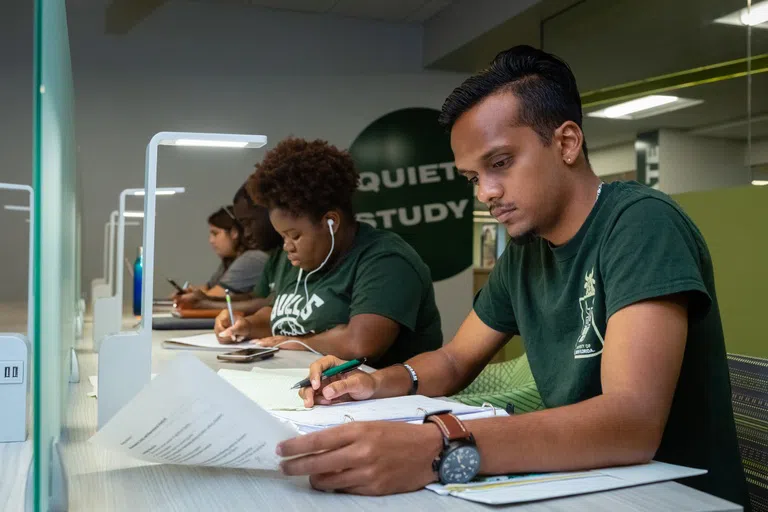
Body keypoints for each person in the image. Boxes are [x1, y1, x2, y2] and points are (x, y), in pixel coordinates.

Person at [274, 45, 750, 508]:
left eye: (499, 164)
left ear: (566, 142)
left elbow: (632, 422)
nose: (486, 192)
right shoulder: (526, 250)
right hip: (586, 481)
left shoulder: (642, 223)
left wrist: (437, 444)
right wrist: (377, 383)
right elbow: (457, 360)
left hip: (671, 497)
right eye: (473, 177)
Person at [215, 137, 444, 369]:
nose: (287, 246)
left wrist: (301, 342)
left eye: (295, 235)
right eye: (283, 236)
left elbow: (361, 344)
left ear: (331, 222)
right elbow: (279, 318)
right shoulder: (296, 260)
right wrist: (245, 324)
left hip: (388, 398)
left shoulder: (387, 260)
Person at [175, 189, 282, 311]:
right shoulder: (276, 255)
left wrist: (207, 303)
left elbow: (270, 303)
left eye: (215, 234)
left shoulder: (253, 258)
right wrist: (206, 299)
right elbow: (255, 297)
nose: (246, 233)